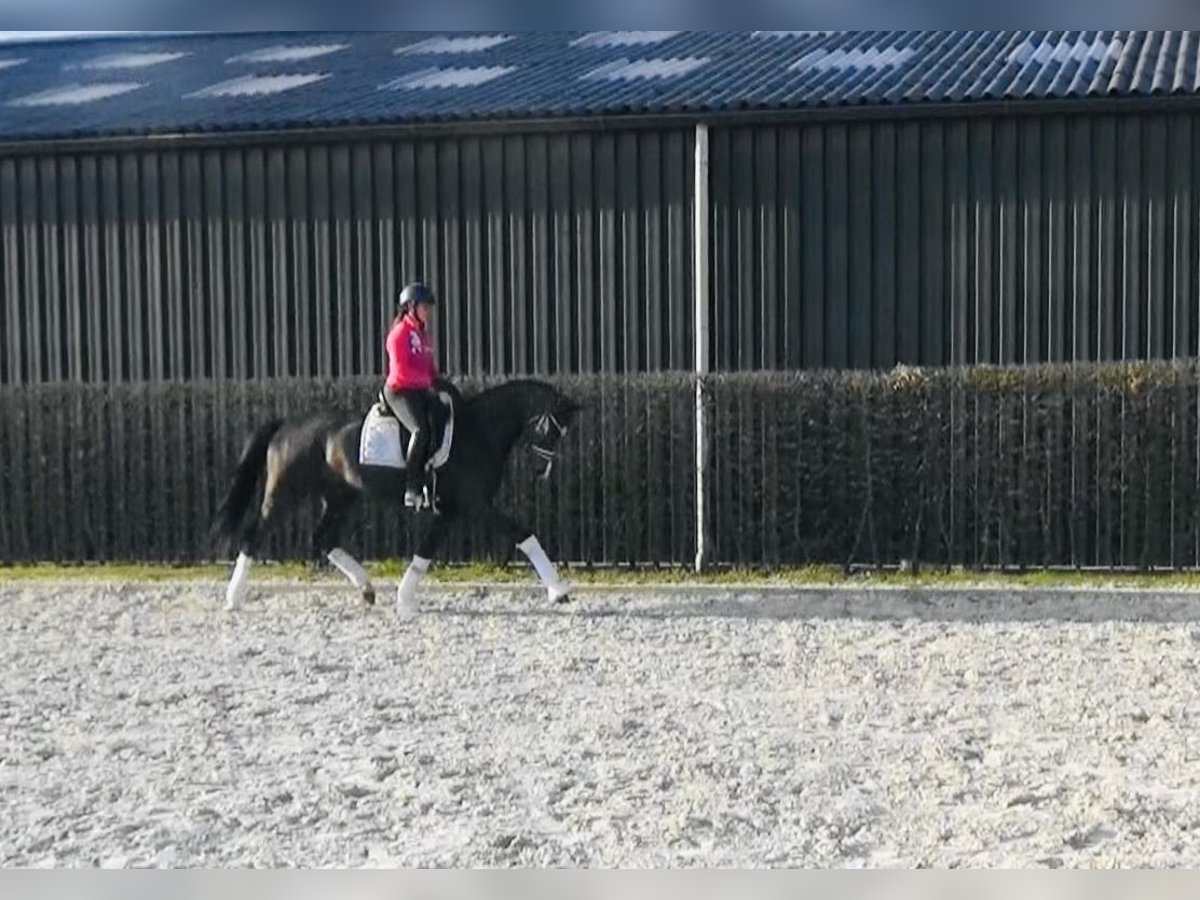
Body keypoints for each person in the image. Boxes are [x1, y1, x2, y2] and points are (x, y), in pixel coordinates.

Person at [383, 282, 440, 508]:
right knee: (421, 429)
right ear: (411, 308)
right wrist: (428, 382)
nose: (428, 312)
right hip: (400, 391)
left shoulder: (422, 335)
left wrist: (440, 382)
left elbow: (429, 367)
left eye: (428, 308)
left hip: (419, 390)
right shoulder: (399, 335)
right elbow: (402, 372)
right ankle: (411, 487)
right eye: (424, 307)